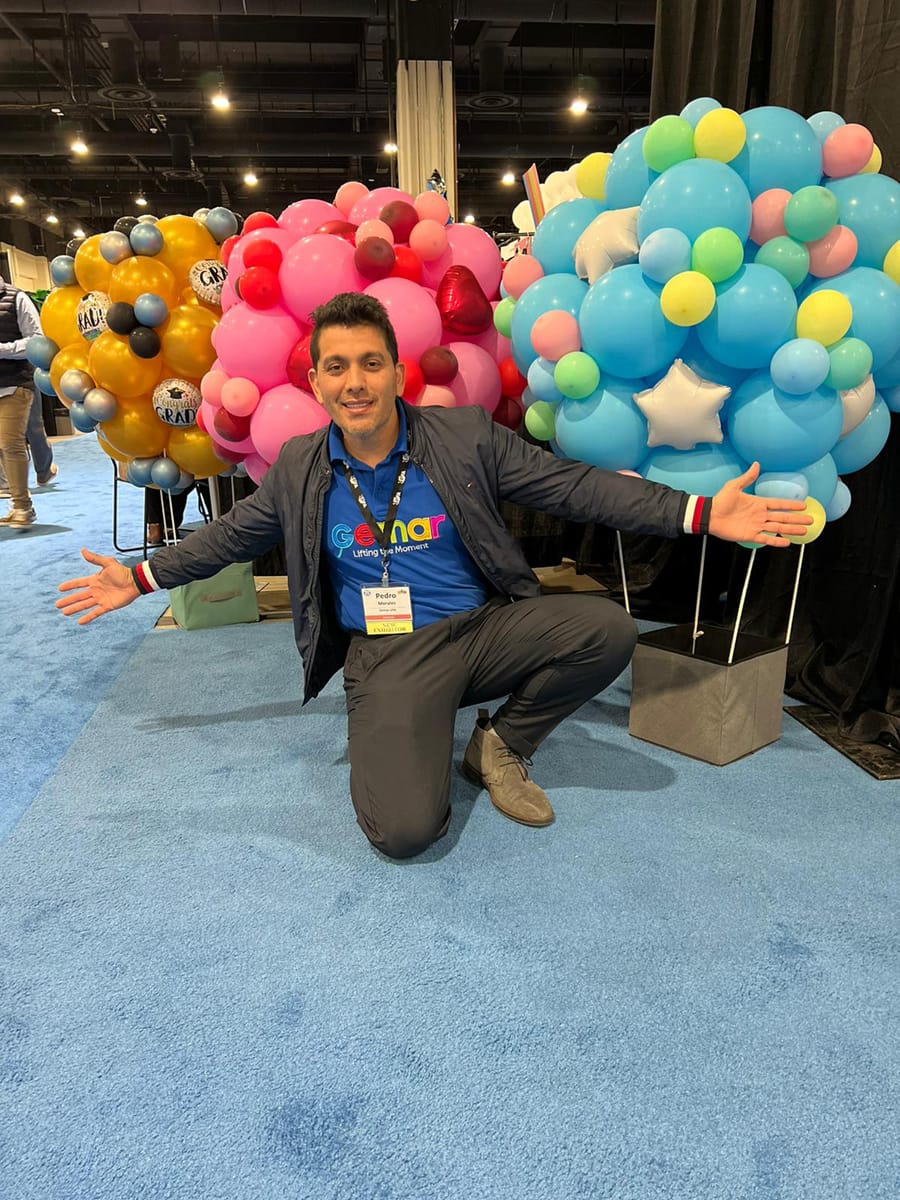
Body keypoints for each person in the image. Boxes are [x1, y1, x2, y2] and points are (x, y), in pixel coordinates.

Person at [57, 293, 811, 858]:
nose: (355, 382)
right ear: (316, 382)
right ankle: (413, 723)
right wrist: (143, 577)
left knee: (605, 629)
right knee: (404, 832)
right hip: (390, 654)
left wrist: (696, 512)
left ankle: (501, 743)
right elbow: (229, 536)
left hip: (482, 630)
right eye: (336, 367)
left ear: (397, 372)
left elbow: (573, 487)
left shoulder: (464, 437)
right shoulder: (299, 467)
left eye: (371, 363)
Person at [0, 276, 43, 527]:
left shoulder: (17, 298)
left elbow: (36, 341)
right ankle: (16, 502)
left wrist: (2, 349)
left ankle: (22, 506)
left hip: (15, 383)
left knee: (10, 442)